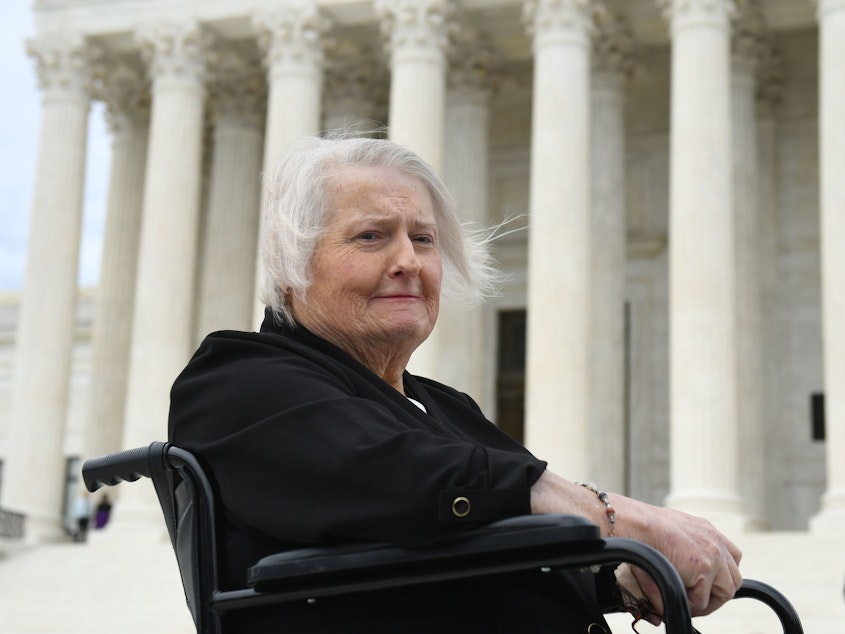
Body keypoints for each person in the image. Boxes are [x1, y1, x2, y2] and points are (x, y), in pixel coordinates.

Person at [168, 133, 742, 633]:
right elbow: (403, 477)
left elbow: (479, 554)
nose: (408, 262)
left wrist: (621, 579)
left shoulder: (443, 406)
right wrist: (628, 519)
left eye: (423, 239)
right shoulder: (236, 381)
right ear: (291, 263)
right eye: (371, 236)